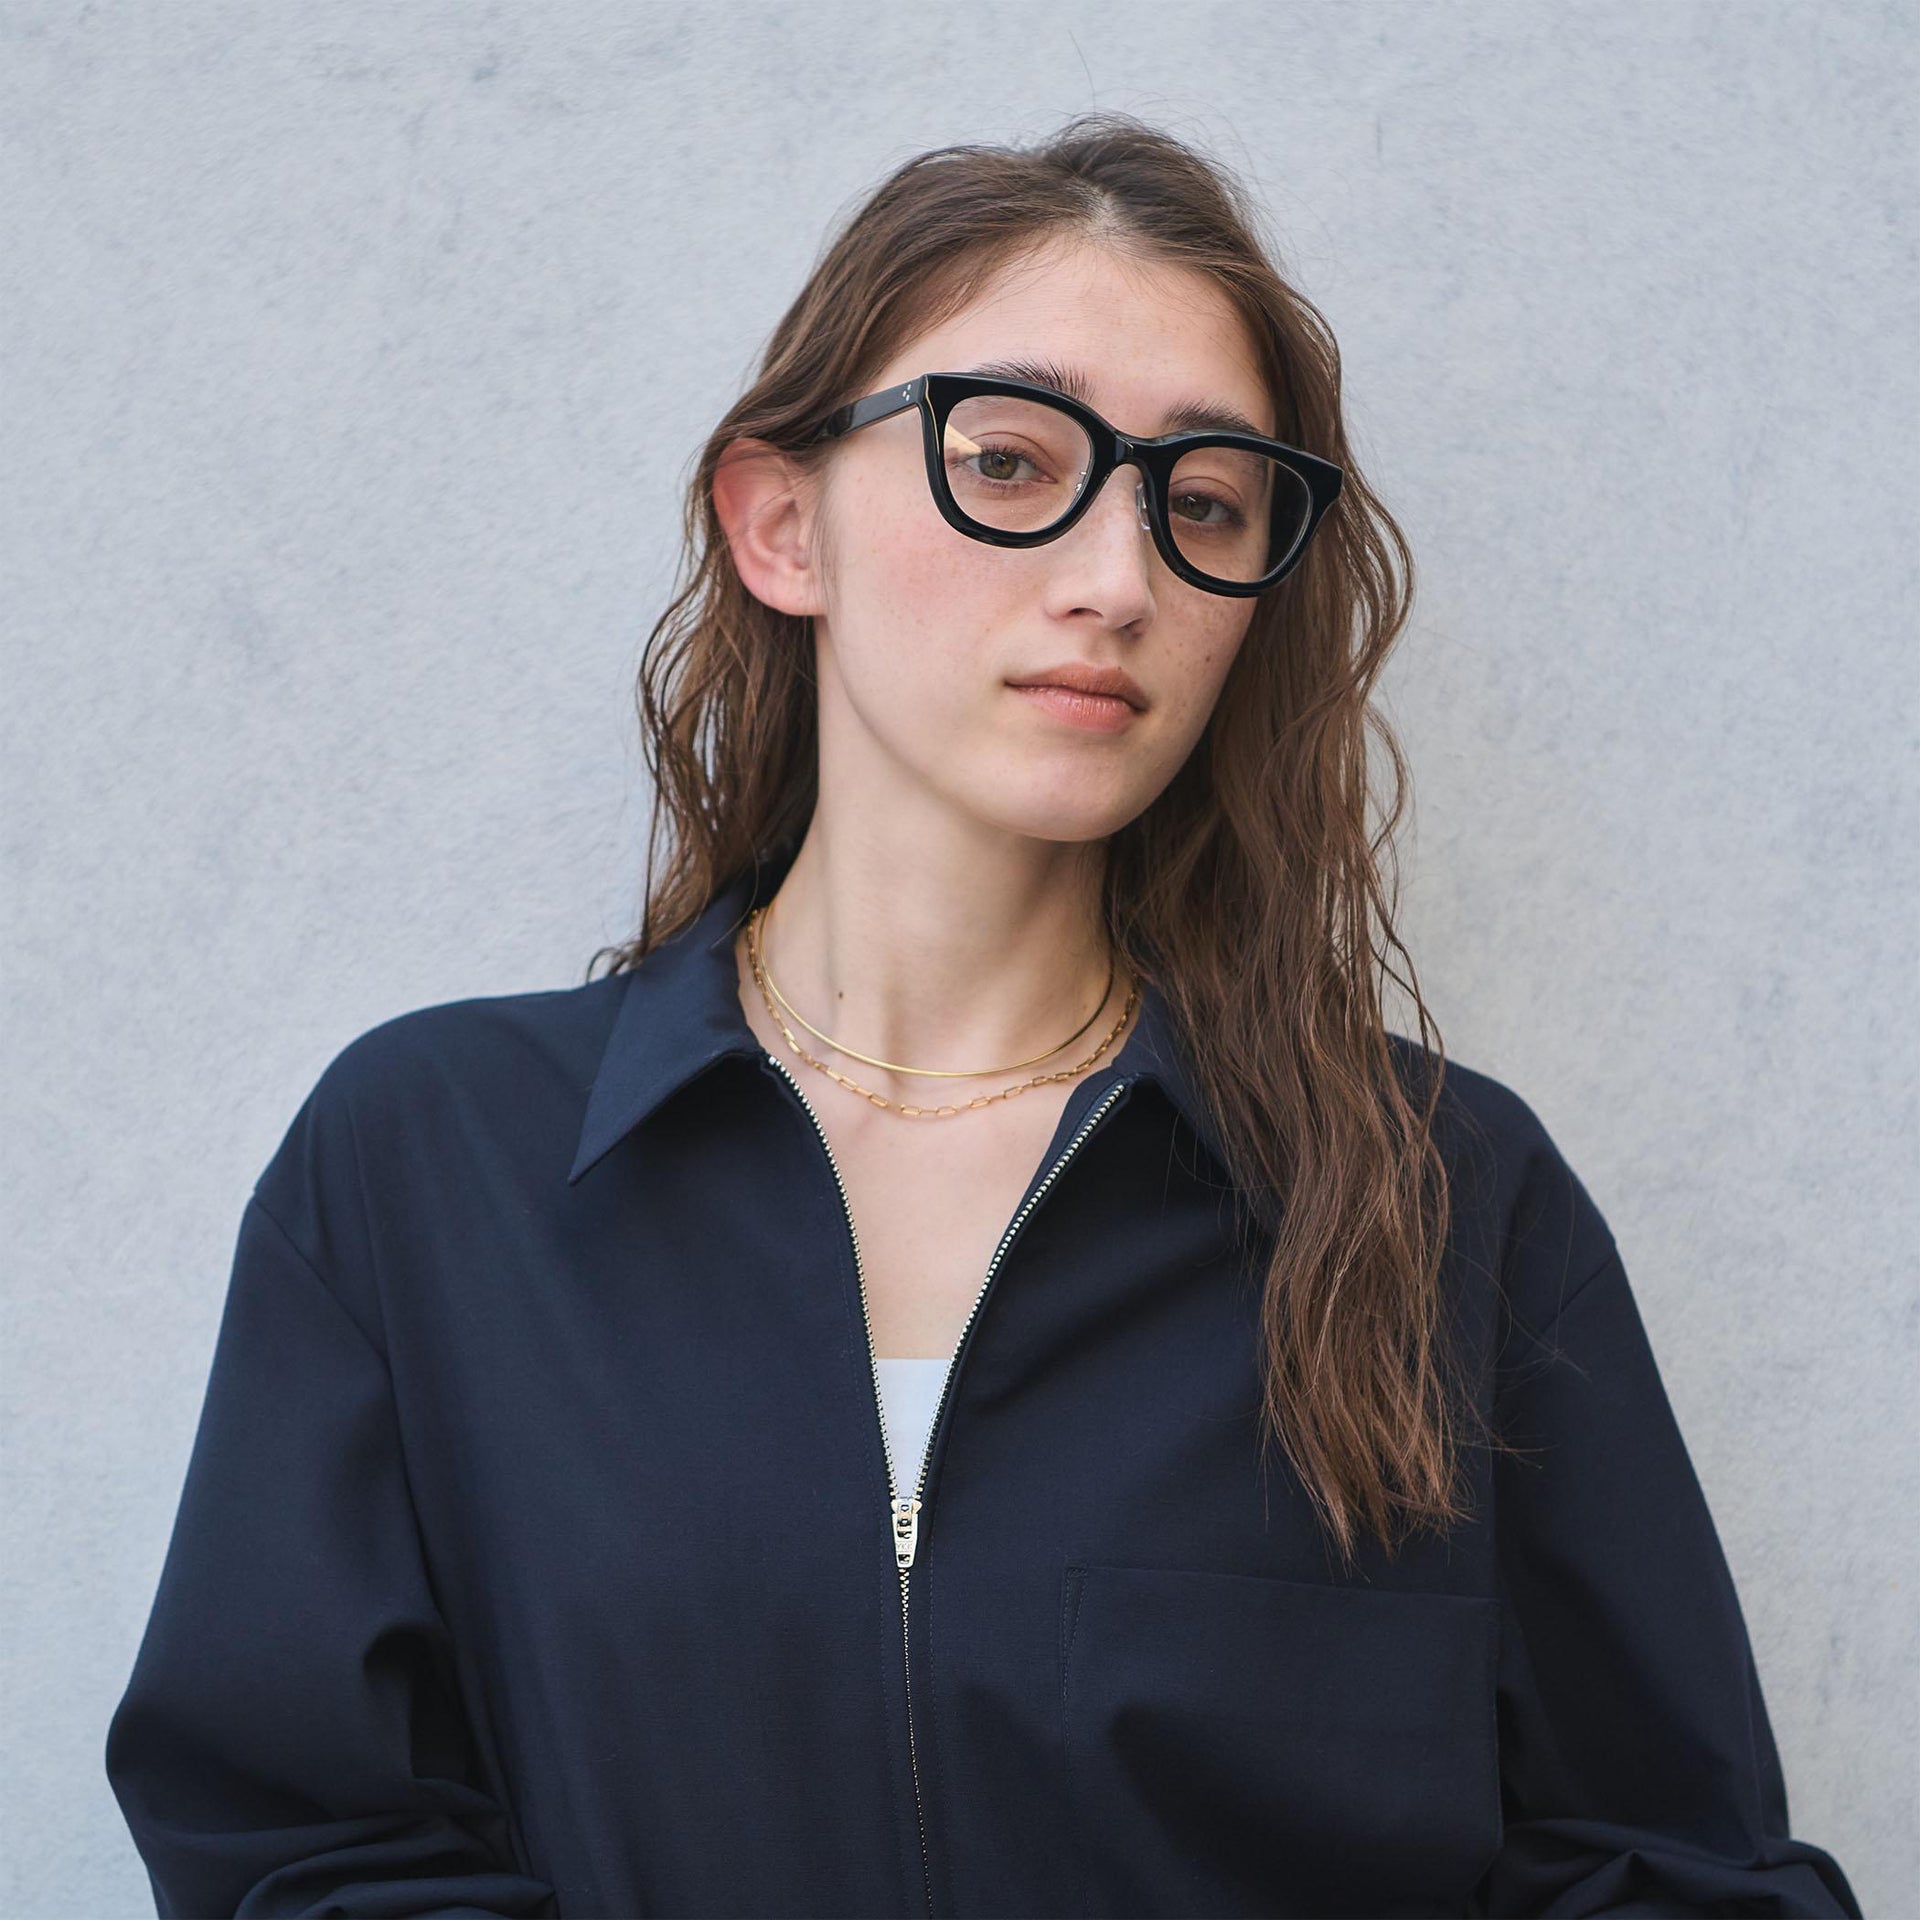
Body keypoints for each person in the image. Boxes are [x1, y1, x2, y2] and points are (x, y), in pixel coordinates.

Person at [104, 114, 1861, 1919]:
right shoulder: (429, 1165)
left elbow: (1675, 1872)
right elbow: (298, 1851)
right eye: (1011, 461)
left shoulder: (1440, 1198)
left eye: (1203, 503)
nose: (1120, 579)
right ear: (781, 524)